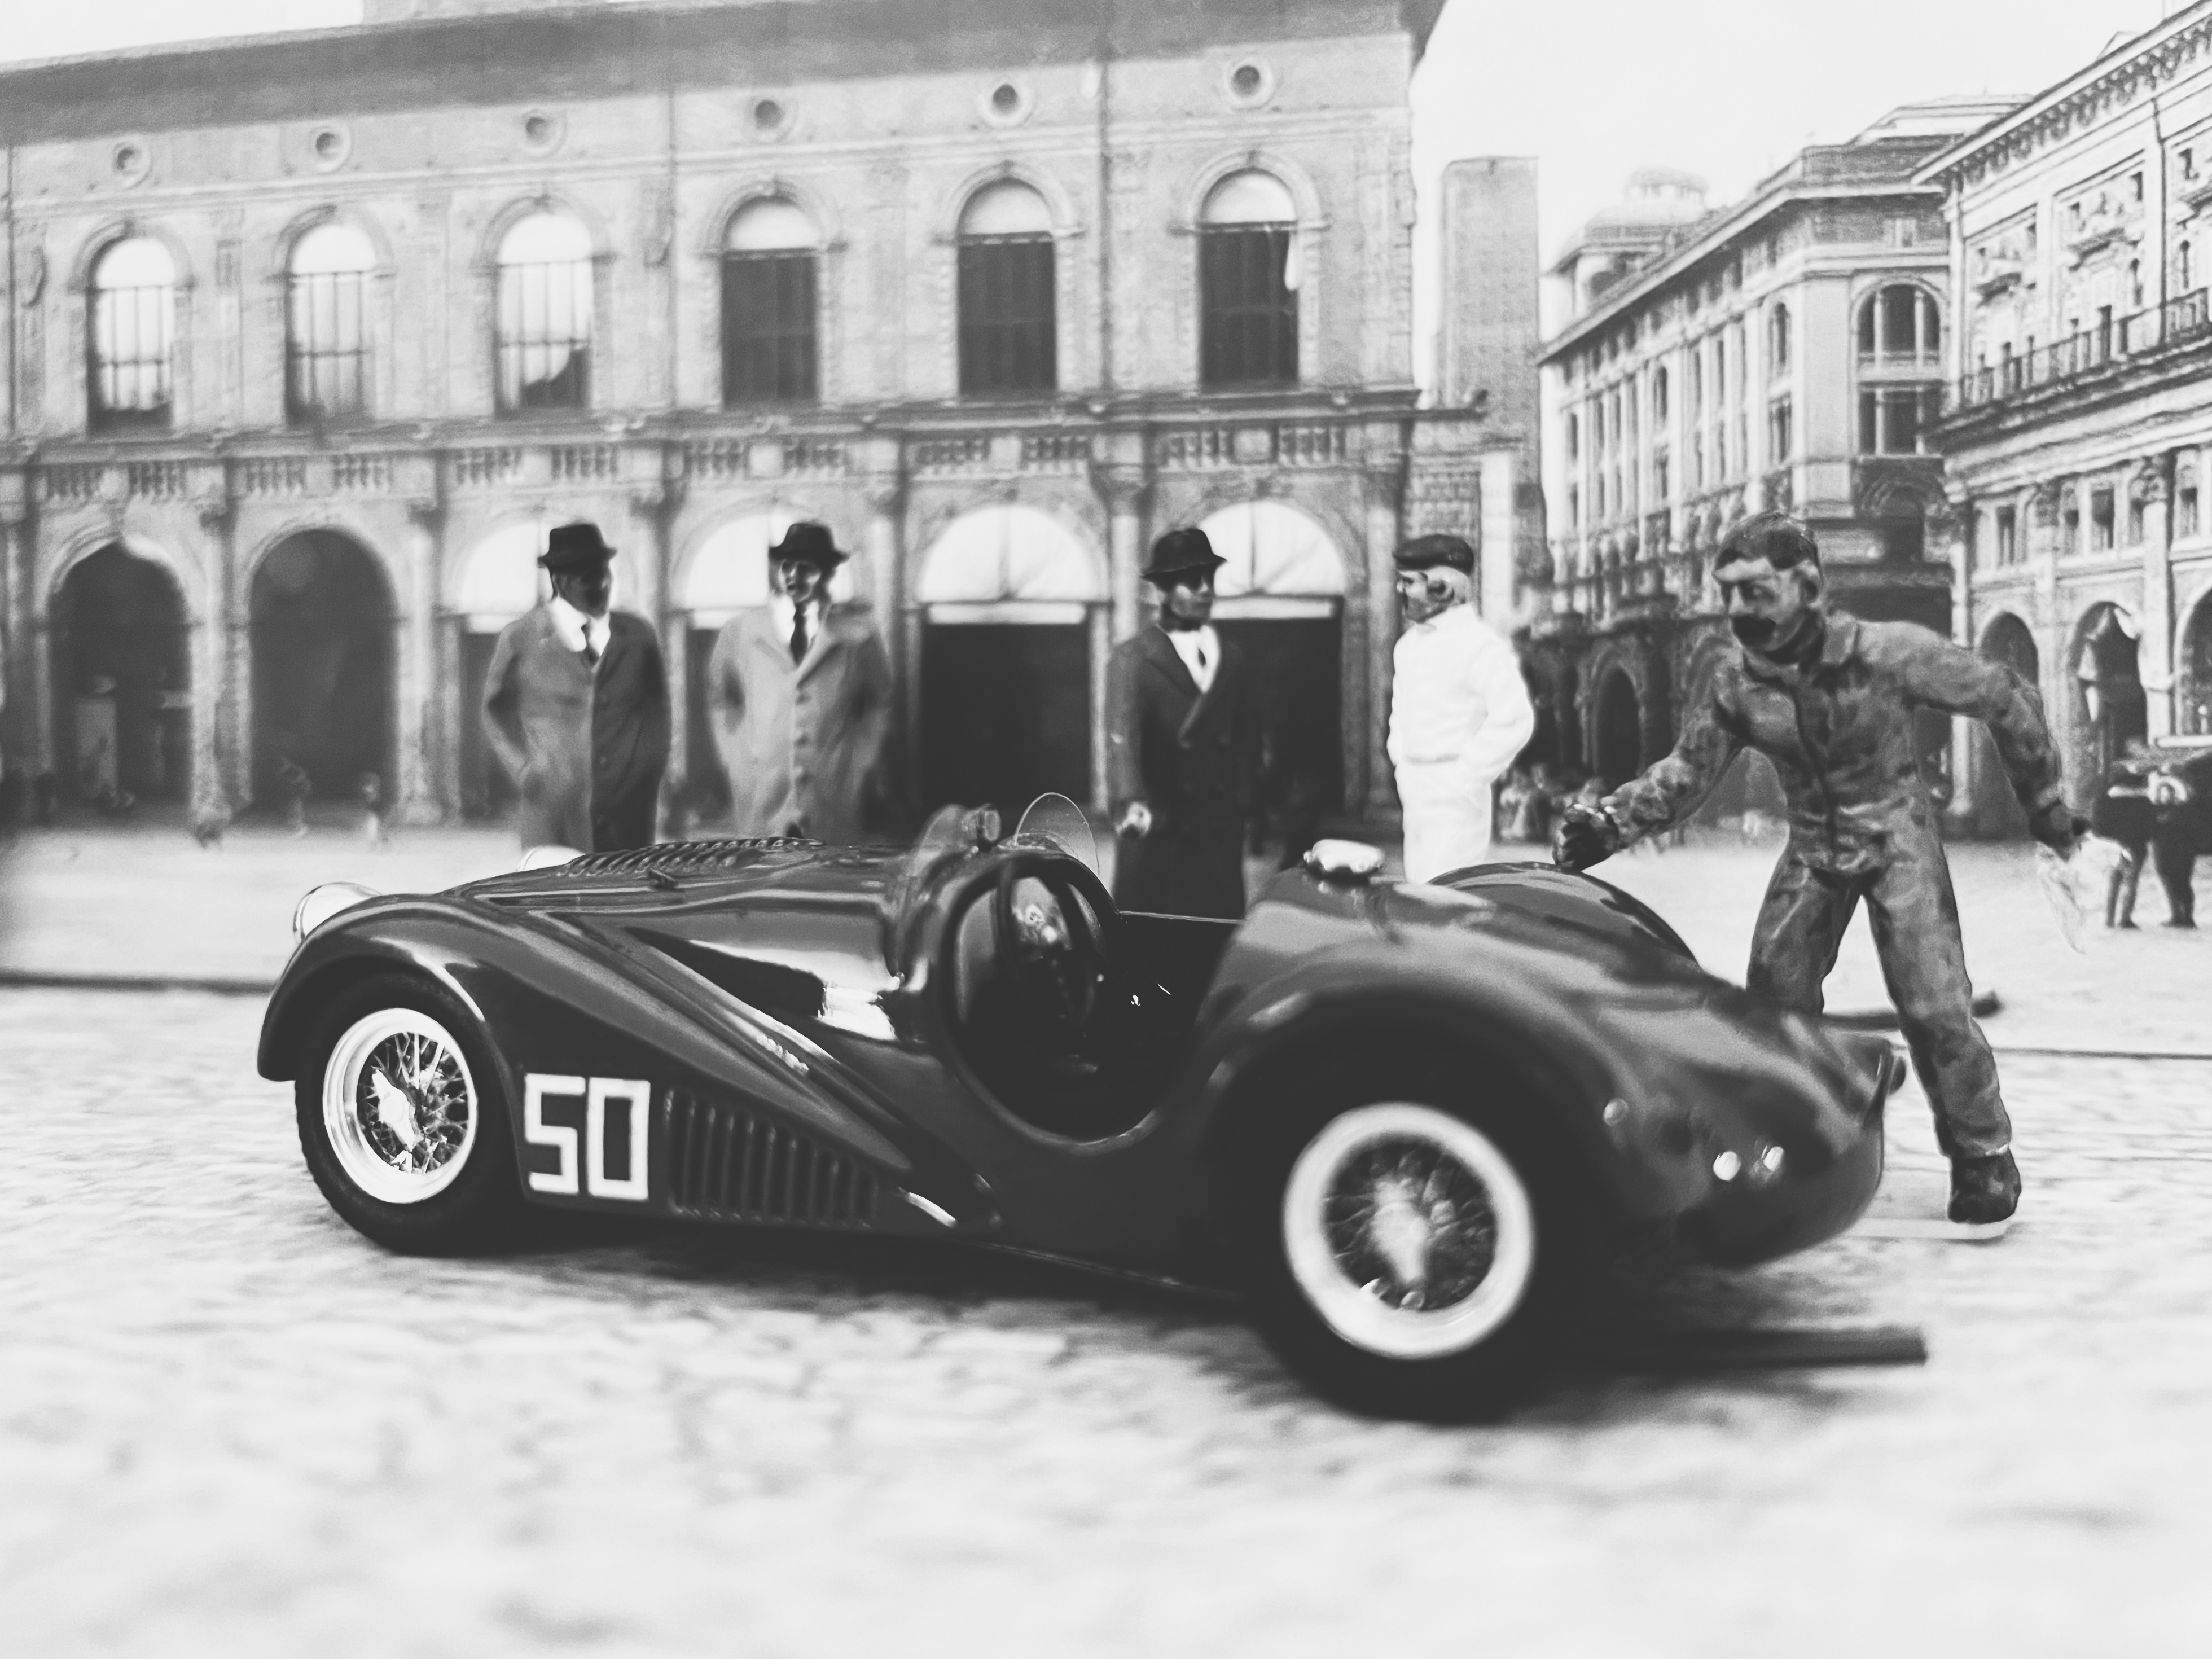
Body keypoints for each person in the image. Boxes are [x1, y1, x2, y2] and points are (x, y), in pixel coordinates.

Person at [1554, 512, 2081, 1231]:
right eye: (1728, 593)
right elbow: (1687, 771)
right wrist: (1611, 822)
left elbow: (2004, 696)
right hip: (1812, 848)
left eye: (1754, 591)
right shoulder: (1737, 683)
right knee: (1774, 999)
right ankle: (1802, 1130)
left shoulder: (1887, 653)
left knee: (1933, 1004)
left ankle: (1982, 1151)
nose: (1737, 611)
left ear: (1805, 585)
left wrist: (2045, 808)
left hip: (1895, 839)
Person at [480, 520, 670, 853]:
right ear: (561, 581)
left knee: (624, 887)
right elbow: (494, 710)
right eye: (589, 577)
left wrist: (646, 774)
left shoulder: (638, 636)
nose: (602, 584)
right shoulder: (521, 637)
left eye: (605, 573)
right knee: (551, 885)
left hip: (626, 818)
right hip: (550, 814)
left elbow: (656, 713)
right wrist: (523, 769)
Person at [706, 521, 893, 842]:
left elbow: (879, 702)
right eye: (787, 567)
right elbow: (720, 697)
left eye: (807, 569)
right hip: (763, 794)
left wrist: (861, 761)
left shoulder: (858, 635)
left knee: (827, 870)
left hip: (832, 794)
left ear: (828, 574)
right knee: (763, 869)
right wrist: (736, 756)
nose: (794, 576)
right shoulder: (741, 631)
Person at [1107, 526, 1256, 918]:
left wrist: (1243, 802)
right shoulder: (1134, 657)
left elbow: (1245, 738)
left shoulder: (1233, 657)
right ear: (1162, 592)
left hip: (1218, 829)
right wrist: (1131, 799)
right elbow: (1123, 737)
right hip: (1162, 829)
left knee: (1215, 933)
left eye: (1210, 579)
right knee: (1159, 936)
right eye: (1193, 581)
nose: (1206, 590)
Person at [1386, 533, 1535, 881]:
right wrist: (1402, 763)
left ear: (1442, 586)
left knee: (1446, 896)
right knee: (1419, 888)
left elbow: (1514, 719)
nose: (1400, 590)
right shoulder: (1407, 646)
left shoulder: (1480, 646)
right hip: (1415, 787)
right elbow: (1399, 712)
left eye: (1409, 582)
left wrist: (1465, 777)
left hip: (1455, 793)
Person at [2091, 746, 2160, 928]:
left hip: (2113, 843)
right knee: (2130, 880)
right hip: (2134, 842)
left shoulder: (2105, 794)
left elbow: (2098, 822)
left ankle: (2109, 919)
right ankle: (2124, 919)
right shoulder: (2141, 796)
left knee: (2114, 880)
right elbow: (2152, 821)